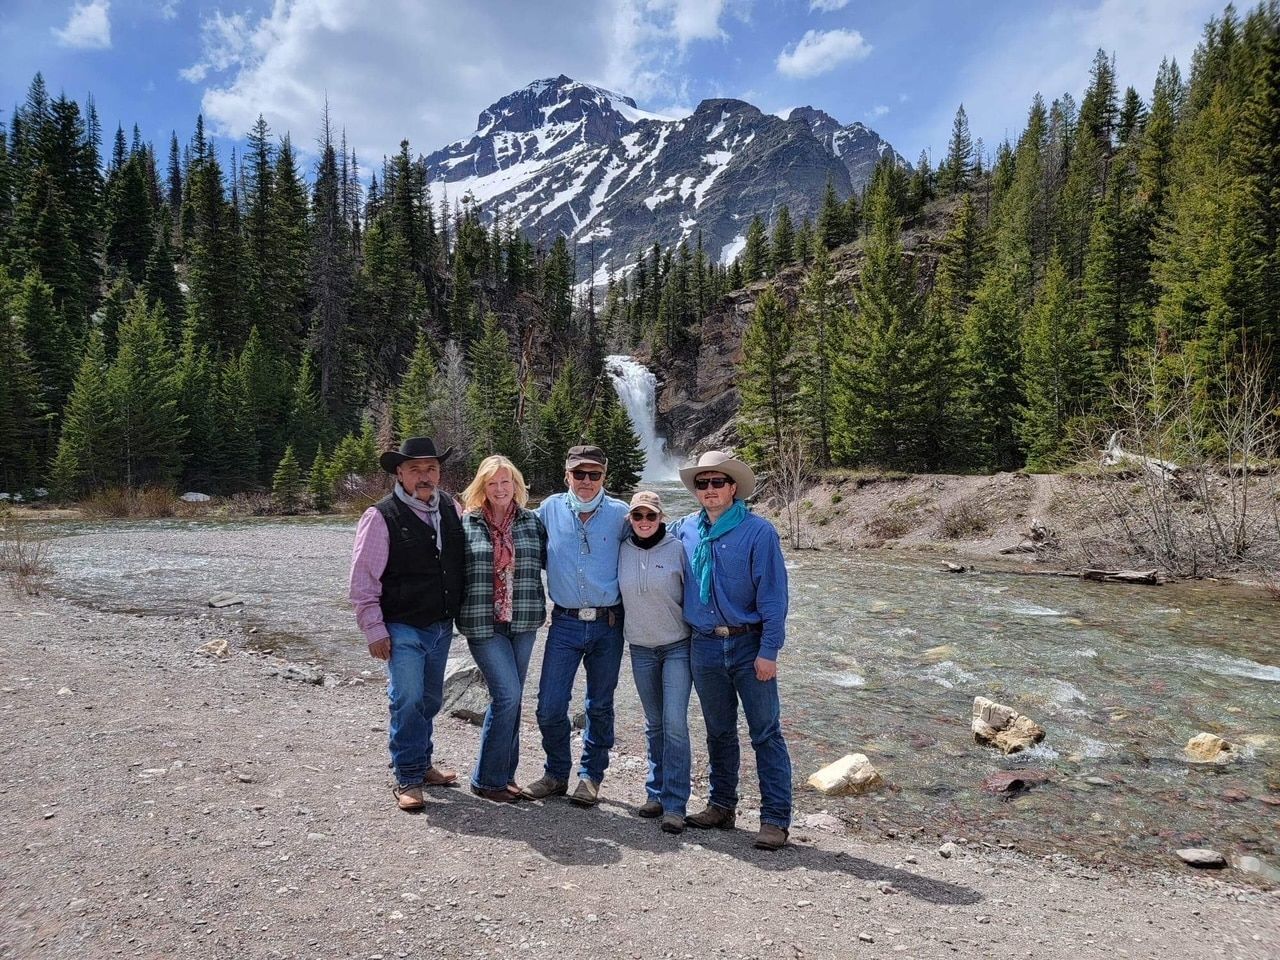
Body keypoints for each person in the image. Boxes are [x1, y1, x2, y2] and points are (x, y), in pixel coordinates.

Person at [673, 450, 793, 850]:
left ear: (733, 488)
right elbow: (644, 541)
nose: (709, 489)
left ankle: (775, 819)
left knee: (766, 733)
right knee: (718, 732)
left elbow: (774, 598)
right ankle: (722, 805)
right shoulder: (684, 530)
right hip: (704, 644)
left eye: (717, 482)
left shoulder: (760, 533)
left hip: (748, 643)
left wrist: (769, 651)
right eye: (702, 483)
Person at [348, 437, 465, 812]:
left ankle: (423, 762)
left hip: (440, 624)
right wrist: (373, 629)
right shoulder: (380, 516)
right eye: (415, 469)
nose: (424, 475)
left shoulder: (451, 507)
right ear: (399, 473)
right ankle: (407, 776)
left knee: (430, 699)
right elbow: (363, 579)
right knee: (407, 698)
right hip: (401, 626)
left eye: (431, 468)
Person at [522, 445, 630, 808]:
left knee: (599, 705)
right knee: (550, 706)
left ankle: (590, 777)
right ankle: (556, 774)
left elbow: (653, 542)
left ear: (604, 476)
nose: (586, 481)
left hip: (608, 623)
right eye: (579, 474)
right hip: (565, 622)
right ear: (566, 475)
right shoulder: (548, 510)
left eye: (594, 474)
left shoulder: (622, 514)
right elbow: (513, 534)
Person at [456, 455, 548, 803]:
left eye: (505, 482)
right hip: (482, 624)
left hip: (523, 621)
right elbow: (451, 572)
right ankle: (486, 779)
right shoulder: (467, 524)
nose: (499, 489)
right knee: (506, 695)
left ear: (516, 485)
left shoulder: (532, 522)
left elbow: (555, 563)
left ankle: (505, 775)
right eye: (492, 483)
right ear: (482, 486)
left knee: (512, 699)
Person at [618, 490, 692, 834]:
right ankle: (655, 793)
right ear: (630, 520)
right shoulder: (621, 549)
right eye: (638, 516)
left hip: (677, 646)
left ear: (661, 517)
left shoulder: (678, 548)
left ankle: (676, 805)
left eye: (650, 516)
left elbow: (696, 592)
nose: (644, 522)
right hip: (640, 648)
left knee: (674, 722)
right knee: (654, 723)